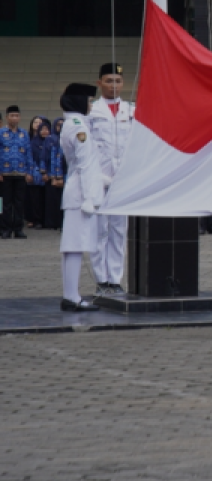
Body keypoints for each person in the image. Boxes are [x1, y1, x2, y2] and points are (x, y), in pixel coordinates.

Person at [88, 62, 135, 294]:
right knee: (99, 230)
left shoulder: (131, 110)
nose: (114, 85)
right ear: (99, 83)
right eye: (109, 81)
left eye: (117, 81)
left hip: (122, 179)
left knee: (118, 230)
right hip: (99, 177)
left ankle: (115, 279)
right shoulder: (91, 111)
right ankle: (101, 279)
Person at [58, 84, 104, 312]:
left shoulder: (73, 123)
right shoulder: (78, 127)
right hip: (81, 194)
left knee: (71, 247)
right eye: (88, 100)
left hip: (77, 191)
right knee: (75, 246)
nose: (91, 104)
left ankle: (70, 294)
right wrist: (89, 197)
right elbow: (85, 164)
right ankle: (72, 296)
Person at [0, 105, 33, 240]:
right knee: (3, 202)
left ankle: (18, 228)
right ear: (7, 117)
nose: (14, 118)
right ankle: (5, 229)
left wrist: (29, 171)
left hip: (20, 172)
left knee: (19, 202)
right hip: (5, 173)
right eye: (12, 115)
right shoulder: (1, 133)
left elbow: (28, 153)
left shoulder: (24, 133)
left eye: (17, 115)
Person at [26, 116, 51, 230]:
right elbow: (29, 158)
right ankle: (34, 219)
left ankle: (46, 220)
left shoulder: (53, 142)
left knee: (47, 199)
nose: (44, 131)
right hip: (34, 175)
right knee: (34, 199)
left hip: (49, 175)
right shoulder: (31, 142)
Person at [43, 119, 65, 232]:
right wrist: (44, 172)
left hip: (64, 176)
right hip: (51, 174)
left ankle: (62, 223)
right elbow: (44, 157)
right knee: (51, 201)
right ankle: (51, 223)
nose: (60, 127)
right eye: (58, 124)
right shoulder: (50, 139)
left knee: (63, 201)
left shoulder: (67, 139)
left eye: (62, 124)